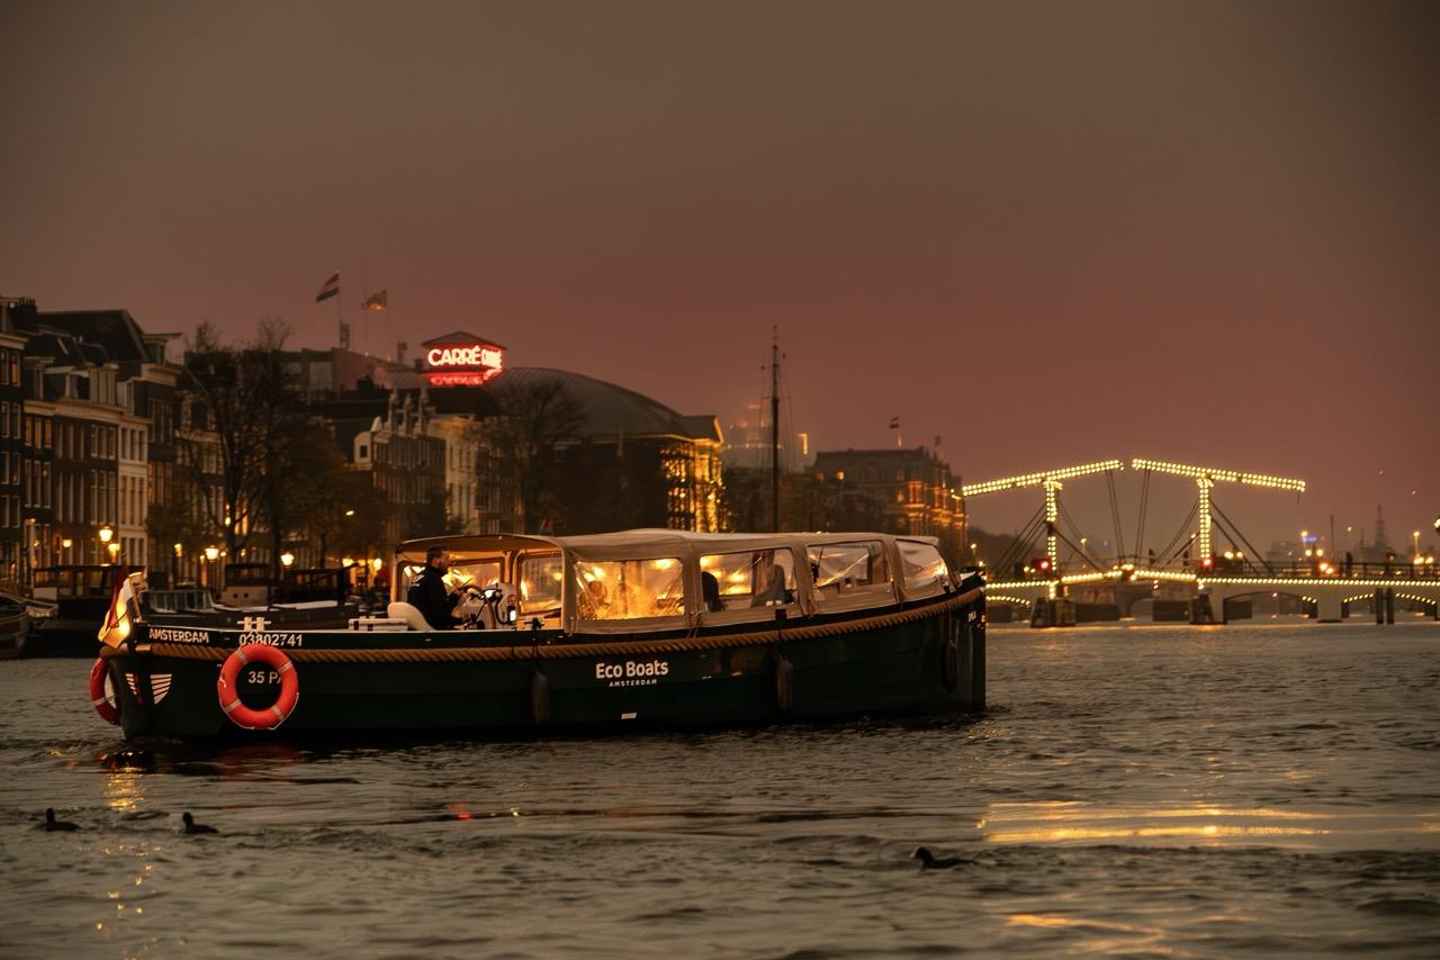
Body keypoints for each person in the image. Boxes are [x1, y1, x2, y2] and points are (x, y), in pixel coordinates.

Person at [407, 546, 462, 629]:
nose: (449, 562)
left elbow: (431, 607)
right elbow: (440, 616)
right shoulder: (433, 579)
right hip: (430, 632)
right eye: (446, 558)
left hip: (417, 628)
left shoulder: (420, 576)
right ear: (436, 560)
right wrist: (455, 598)